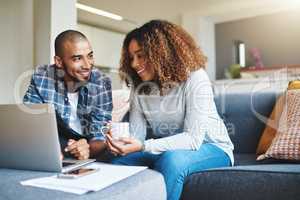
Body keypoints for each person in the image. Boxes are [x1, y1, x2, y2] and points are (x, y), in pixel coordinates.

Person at [105, 20, 234, 200]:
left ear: (161, 53)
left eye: (140, 55)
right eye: (131, 57)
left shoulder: (196, 78)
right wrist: (121, 142)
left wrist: (143, 146)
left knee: (171, 161)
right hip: (169, 149)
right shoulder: (138, 87)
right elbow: (137, 136)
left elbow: (193, 140)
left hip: (212, 147)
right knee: (117, 162)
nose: (134, 64)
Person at [23, 30, 112, 160]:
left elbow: (100, 134)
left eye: (90, 56)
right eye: (77, 58)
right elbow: (30, 125)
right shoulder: (42, 78)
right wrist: (50, 151)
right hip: (55, 141)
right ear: (59, 61)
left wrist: (87, 150)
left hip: (88, 142)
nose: (87, 65)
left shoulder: (101, 83)